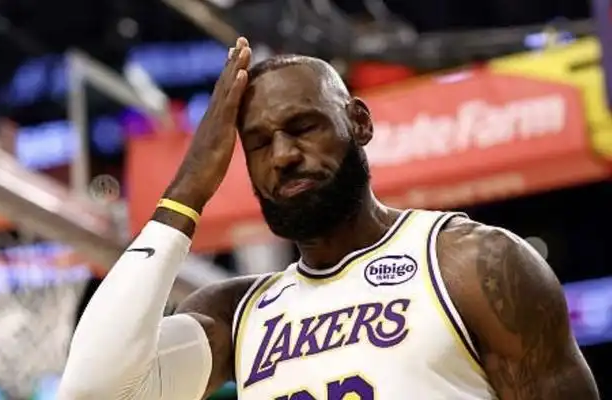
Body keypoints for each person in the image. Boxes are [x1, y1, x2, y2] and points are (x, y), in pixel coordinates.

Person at [58, 37, 599, 400]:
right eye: (258, 143)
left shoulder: (470, 262)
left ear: (358, 122)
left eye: (303, 127)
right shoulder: (235, 313)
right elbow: (93, 390)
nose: (283, 155)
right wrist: (188, 190)